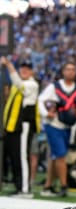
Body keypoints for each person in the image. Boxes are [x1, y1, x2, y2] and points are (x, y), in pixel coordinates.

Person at [37, 61, 76, 198]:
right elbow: (41, 100)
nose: (70, 72)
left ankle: (48, 186)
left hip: (68, 127)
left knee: (55, 157)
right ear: (63, 71)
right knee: (61, 155)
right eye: (67, 69)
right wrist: (46, 113)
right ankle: (63, 185)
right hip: (53, 125)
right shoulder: (53, 87)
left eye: (73, 69)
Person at [1, 57, 40, 198]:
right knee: (16, 156)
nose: (24, 70)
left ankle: (25, 189)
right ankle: (19, 186)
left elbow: (18, 84)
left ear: (31, 71)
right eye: (22, 68)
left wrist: (9, 65)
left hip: (24, 124)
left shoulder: (32, 84)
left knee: (23, 156)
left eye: (27, 68)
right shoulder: (20, 85)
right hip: (15, 126)